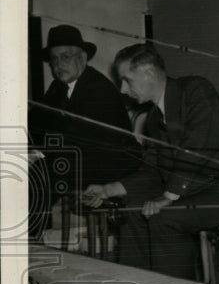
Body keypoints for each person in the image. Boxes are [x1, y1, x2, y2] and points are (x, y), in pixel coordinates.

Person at [81, 43, 219, 280]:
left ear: (148, 72)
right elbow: (152, 169)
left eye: (127, 80)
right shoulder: (154, 118)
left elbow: (194, 149)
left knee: (165, 218)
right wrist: (109, 189)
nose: (123, 89)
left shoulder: (195, 90)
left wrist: (167, 197)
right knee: (133, 206)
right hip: (200, 189)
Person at [28, 25, 141, 237]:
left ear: (84, 57)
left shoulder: (98, 89)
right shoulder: (58, 87)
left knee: (33, 180)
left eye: (66, 56)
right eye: (54, 59)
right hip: (76, 161)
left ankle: (29, 245)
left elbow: (79, 139)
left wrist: (40, 154)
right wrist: (32, 151)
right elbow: (36, 124)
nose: (59, 64)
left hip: (107, 166)